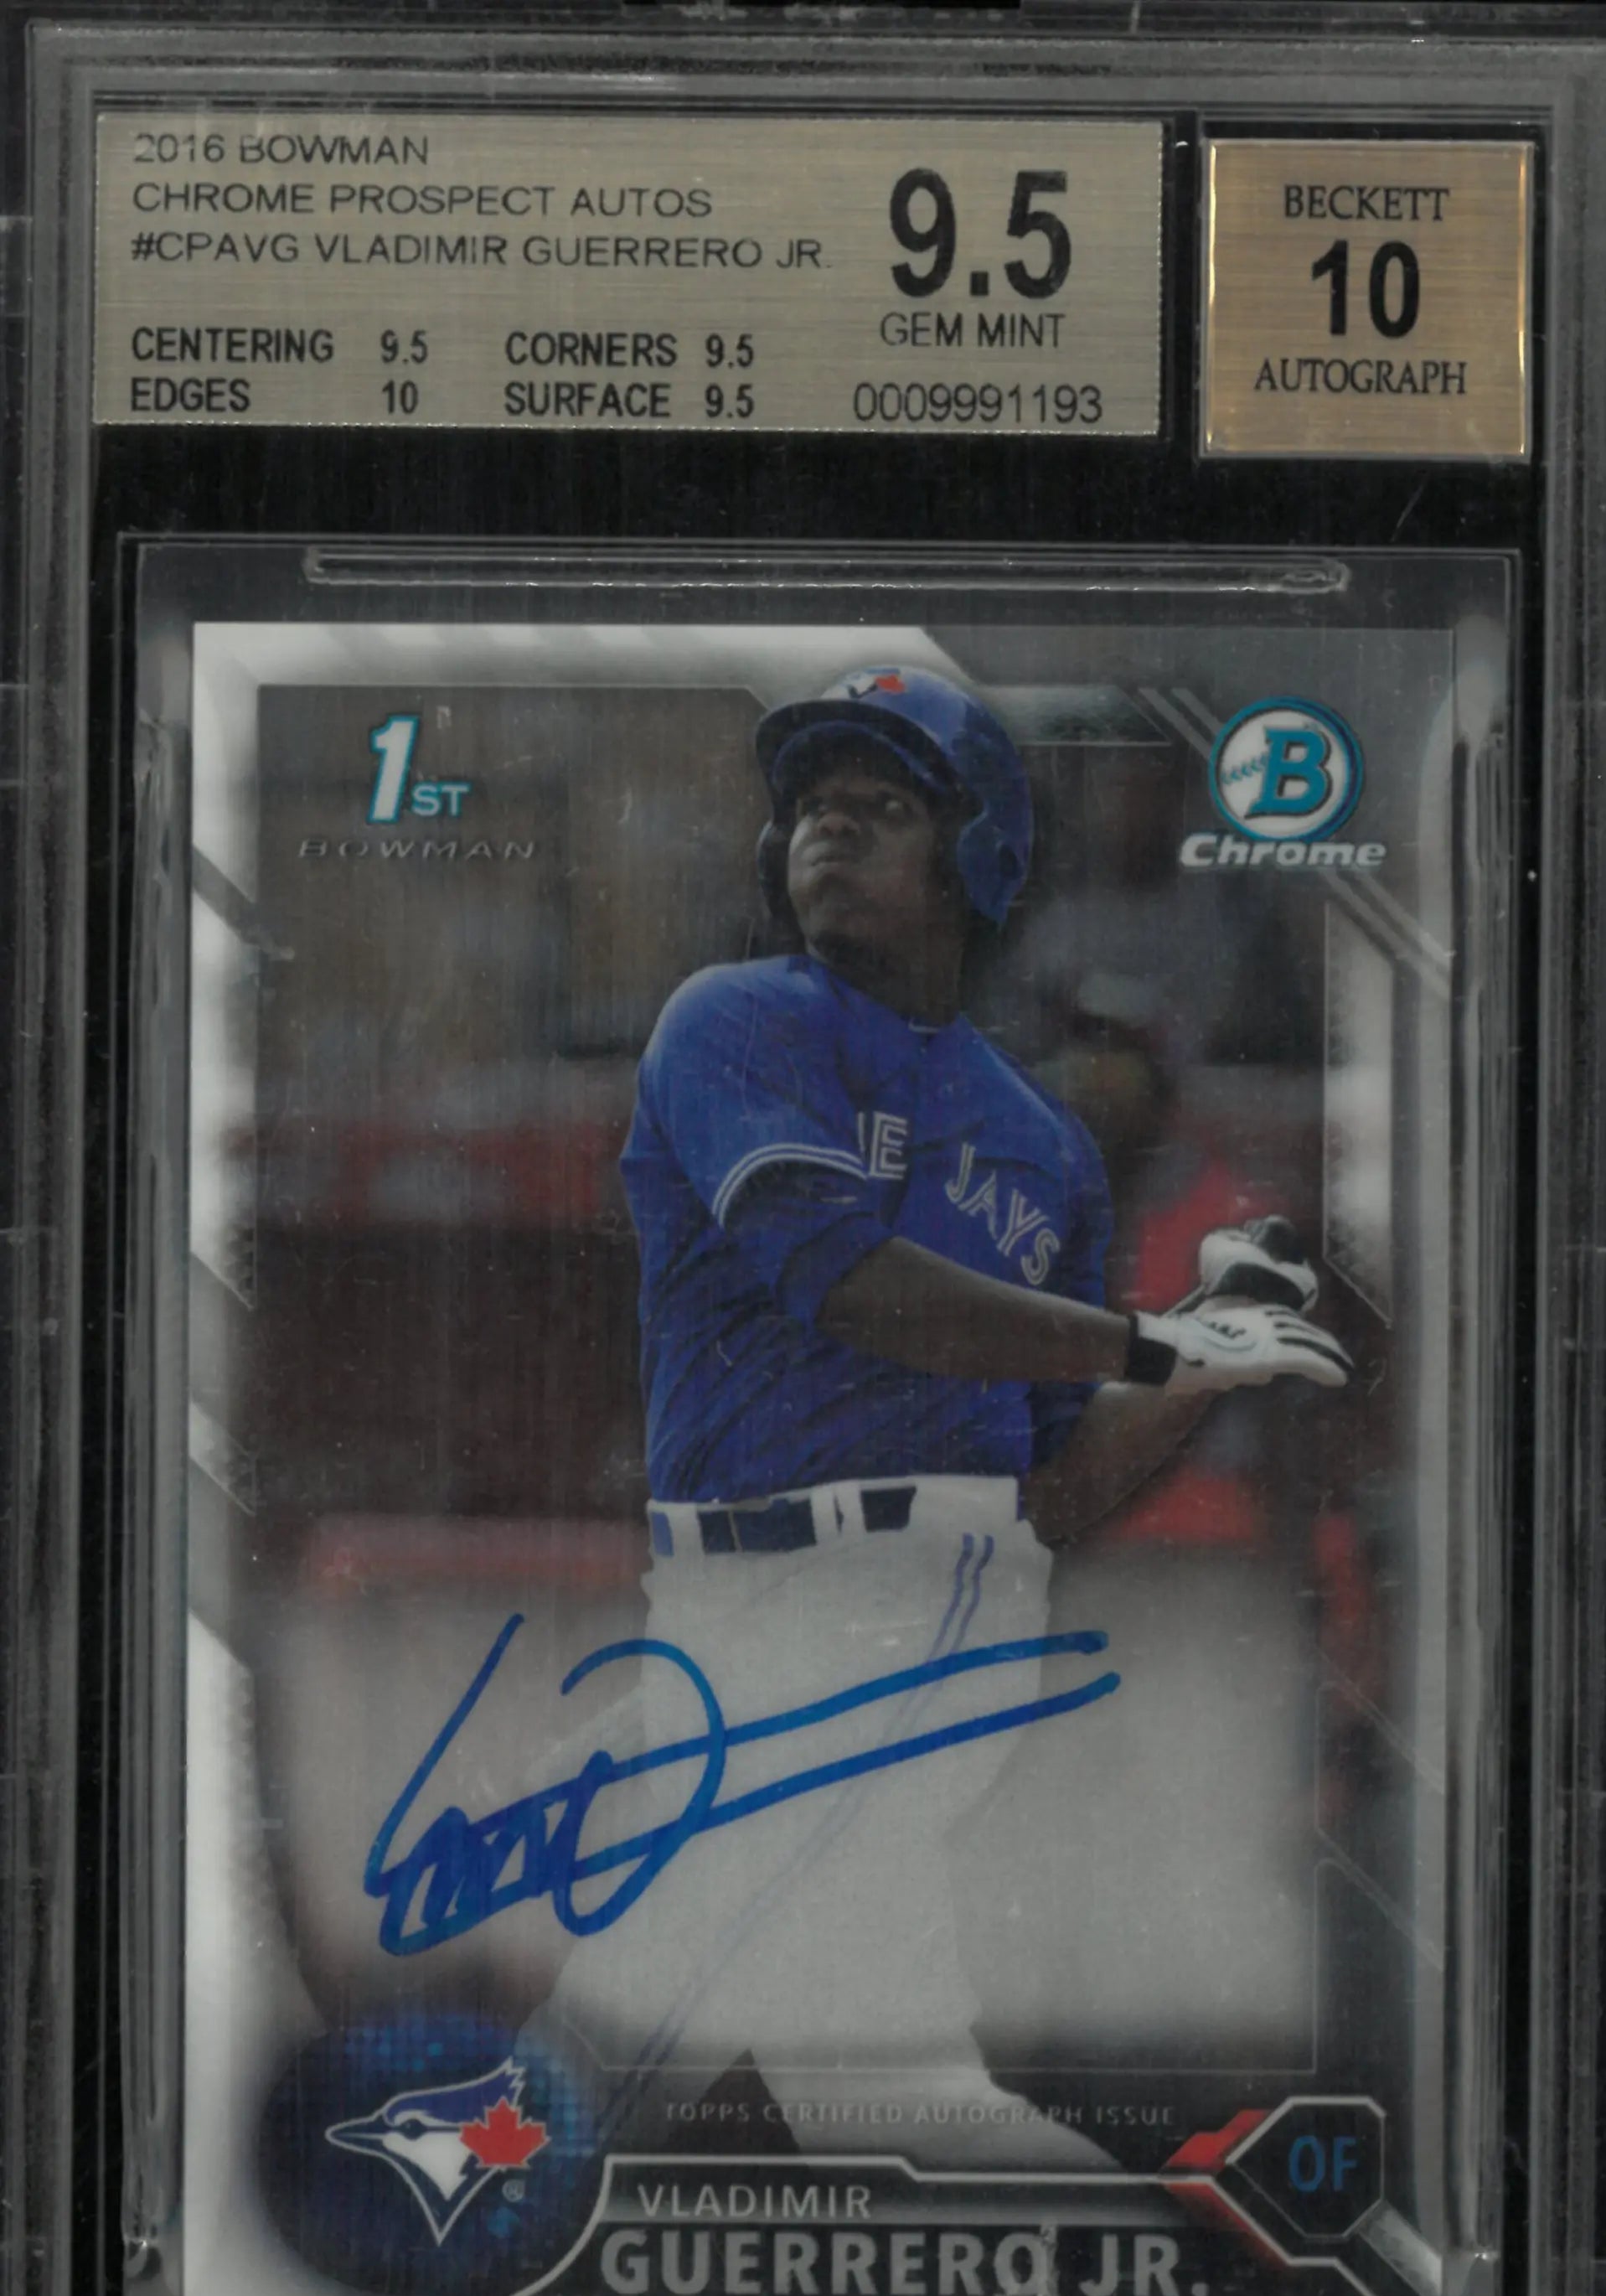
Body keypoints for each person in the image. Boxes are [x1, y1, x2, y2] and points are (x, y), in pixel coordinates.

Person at [541, 666, 1348, 2167]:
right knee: (718, 2049)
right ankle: (1131, 2269)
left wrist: (1196, 1371)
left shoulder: (1040, 1146)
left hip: (903, 1603)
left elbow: (1052, 1486)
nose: (829, 830)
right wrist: (1163, 1349)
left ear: (975, 858)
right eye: (810, 806)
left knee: (769, 2061)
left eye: (881, 805)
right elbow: (845, 1282)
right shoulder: (735, 1020)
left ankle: (1121, 2280)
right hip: (728, 1600)